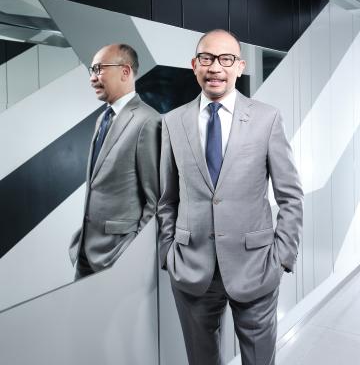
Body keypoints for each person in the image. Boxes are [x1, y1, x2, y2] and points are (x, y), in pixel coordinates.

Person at [158, 29, 303, 365]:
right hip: (192, 269)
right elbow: (167, 198)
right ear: (194, 65)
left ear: (239, 67)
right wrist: (168, 252)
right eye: (206, 59)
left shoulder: (267, 118)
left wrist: (282, 257)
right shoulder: (173, 121)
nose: (215, 68)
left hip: (256, 267)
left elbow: (291, 195)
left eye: (225, 59)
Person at [69, 43, 161, 279]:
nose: (92, 78)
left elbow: (157, 200)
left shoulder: (148, 121)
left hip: (119, 255)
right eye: (91, 70)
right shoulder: (103, 118)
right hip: (86, 250)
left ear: (125, 71)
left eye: (98, 69)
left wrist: (134, 252)